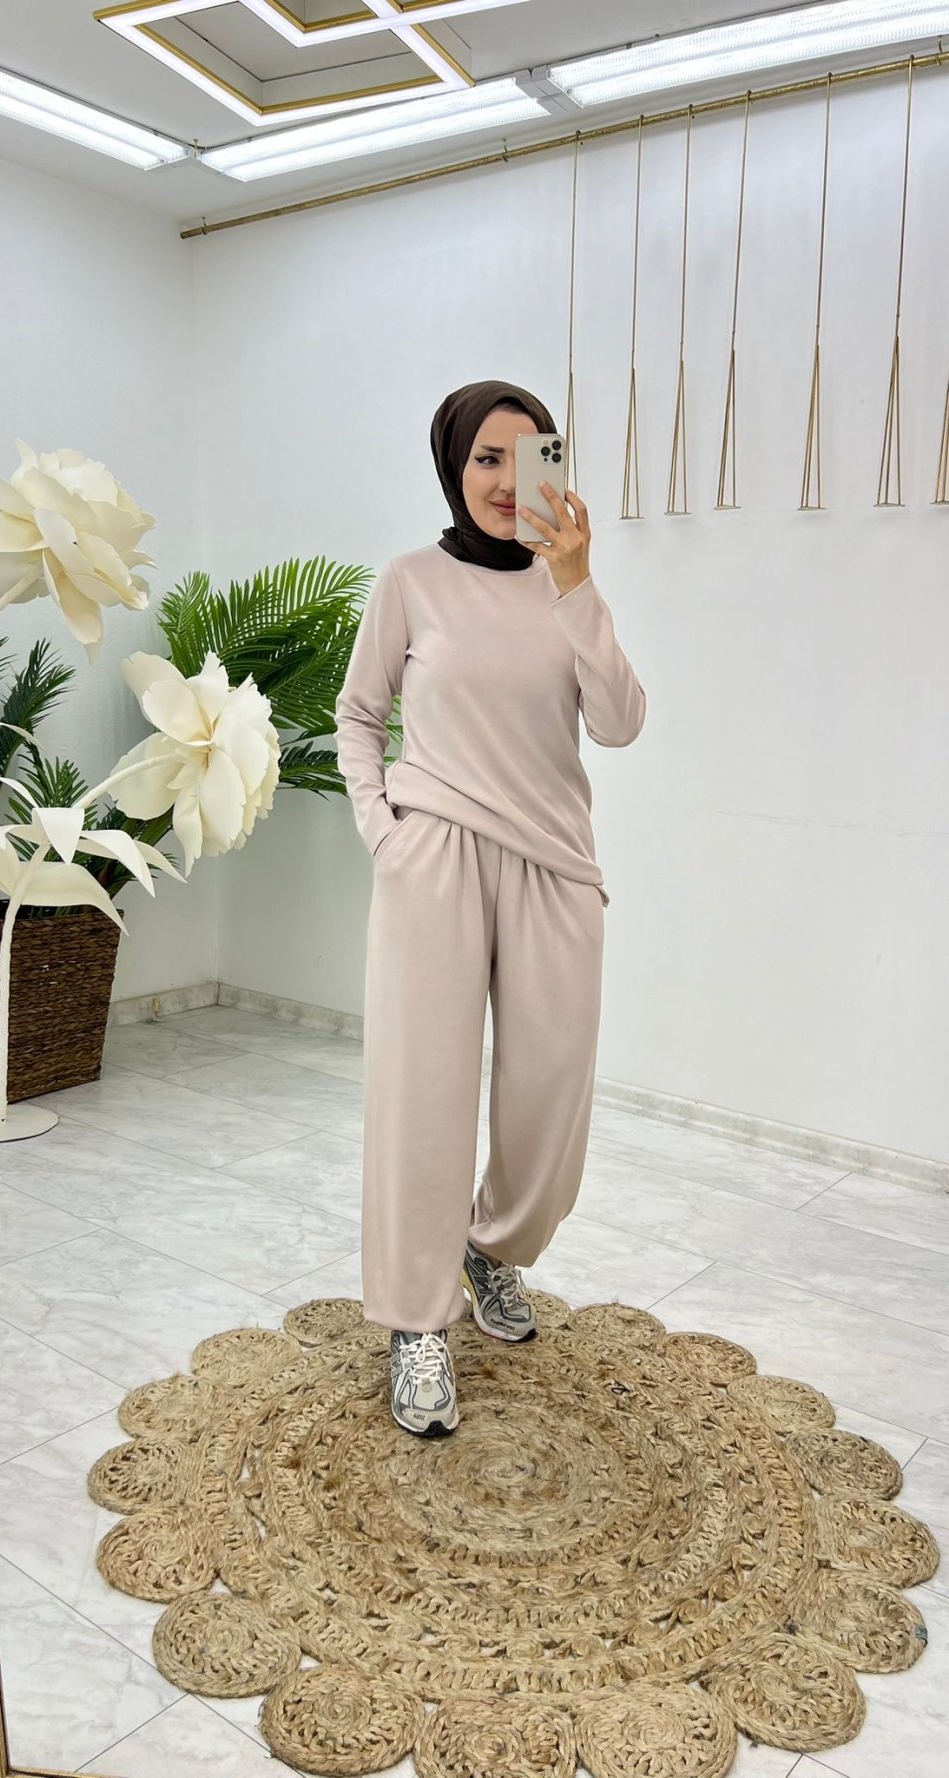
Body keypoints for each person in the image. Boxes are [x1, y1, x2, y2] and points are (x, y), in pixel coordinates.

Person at [335, 379, 646, 1439]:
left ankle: (491, 1248)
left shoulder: (567, 587)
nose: (510, 482)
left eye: (530, 457)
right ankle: (415, 1322)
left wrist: (578, 583)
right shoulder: (410, 581)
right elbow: (359, 713)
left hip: (555, 864)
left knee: (548, 1102)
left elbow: (620, 722)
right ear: (453, 466)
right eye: (487, 459)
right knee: (421, 1096)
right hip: (435, 858)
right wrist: (387, 833)